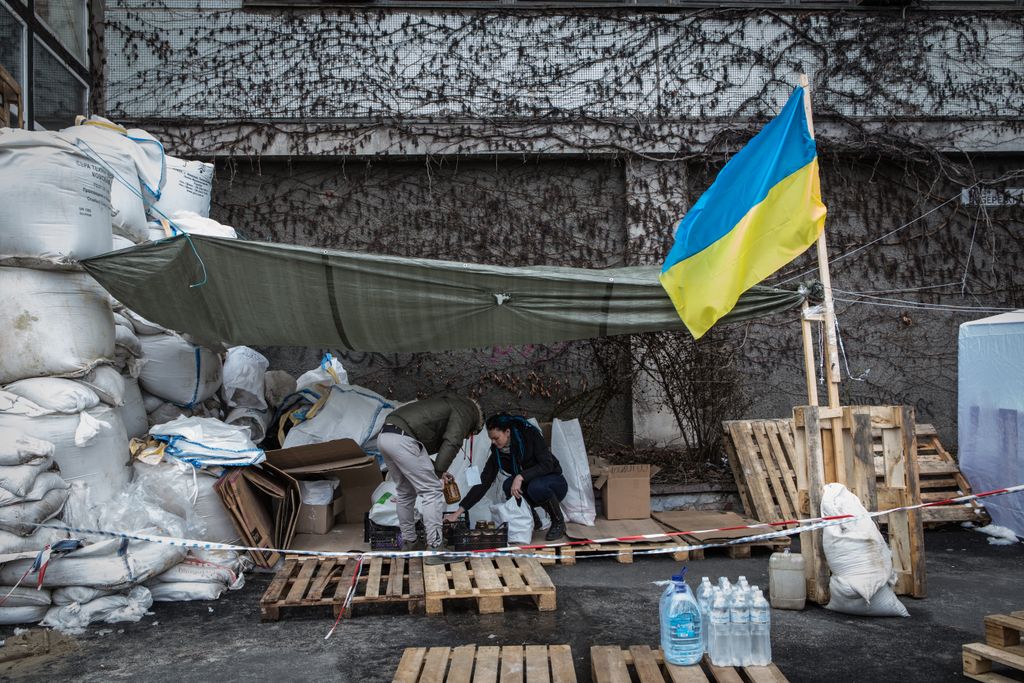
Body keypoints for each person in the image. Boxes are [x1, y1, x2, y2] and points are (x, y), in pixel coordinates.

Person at [377, 392, 484, 565]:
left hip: (386, 435)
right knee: (432, 491)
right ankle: (435, 549)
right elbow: (452, 440)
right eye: (469, 435)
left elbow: (416, 451)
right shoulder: (466, 410)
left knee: (405, 492)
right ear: (475, 425)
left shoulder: (449, 403)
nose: (466, 437)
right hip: (403, 439)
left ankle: (409, 543)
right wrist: (438, 473)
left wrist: (436, 470)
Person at [444, 413, 568, 541]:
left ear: (507, 432)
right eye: (491, 439)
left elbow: (547, 464)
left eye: (496, 438)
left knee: (535, 486)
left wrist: (520, 476)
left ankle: (558, 522)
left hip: (554, 483)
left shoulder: (530, 436)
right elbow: (483, 483)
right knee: (508, 485)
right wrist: (457, 513)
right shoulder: (498, 453)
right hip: (532, 485)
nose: (493, 442)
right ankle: (533, 521)